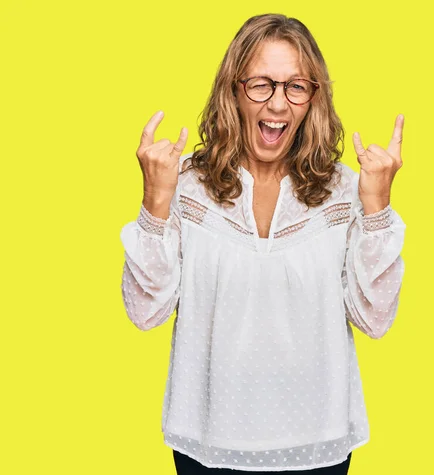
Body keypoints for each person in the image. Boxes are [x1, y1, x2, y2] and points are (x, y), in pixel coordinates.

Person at [119, 13, 406, 474]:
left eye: (296, 86)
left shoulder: (344, 190)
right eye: (262, 84)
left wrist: (377, 209)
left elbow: (374, 319)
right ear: (234, 90)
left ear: (313, 98)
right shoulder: (185, 184)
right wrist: (155, 200)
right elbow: (145, 312)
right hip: (207, 447)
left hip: (319, 445)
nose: (277, 104)